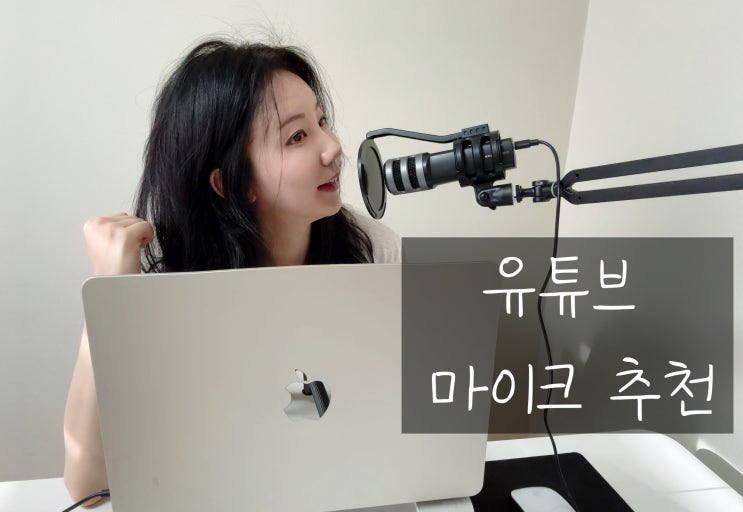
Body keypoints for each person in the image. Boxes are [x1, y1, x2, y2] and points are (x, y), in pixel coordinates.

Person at [63, 38, 400, 505]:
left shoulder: (373, 250)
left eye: (322, 121)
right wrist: (106, 297)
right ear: (233, 183)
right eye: (297, 137)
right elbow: (86, 486)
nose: (333, 147)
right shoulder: (166, 281)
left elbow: (421, 434)